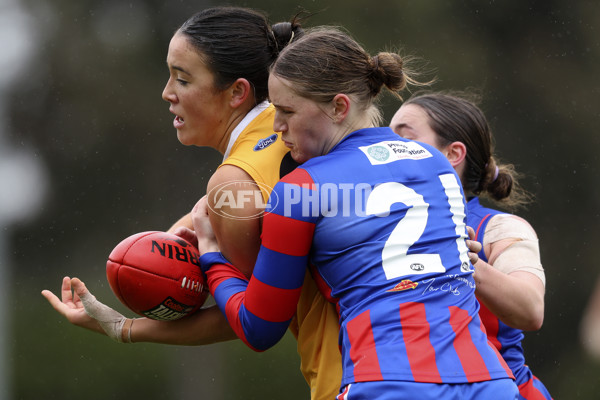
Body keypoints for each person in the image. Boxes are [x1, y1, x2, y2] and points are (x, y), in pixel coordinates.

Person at [189, 27, 518, 399]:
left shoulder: (300, 190)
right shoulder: (435, 163)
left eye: (287, 111)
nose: (278, 126)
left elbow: (259, 327)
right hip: (490, 383)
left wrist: (211, 256)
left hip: (390, 383)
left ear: (339, 107)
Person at [41, 7, 345, 400]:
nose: (167, 93)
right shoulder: (296, 125)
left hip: (350, 376)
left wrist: (123, 328)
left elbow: (255, 315)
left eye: (182, 79)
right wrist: (172, 242)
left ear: (237, 92)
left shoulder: (235, 179)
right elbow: (222, 206)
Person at [390, 92, 552, 399]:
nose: (389, 150)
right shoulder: (381, 226)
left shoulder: (500, 228)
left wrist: (461, 260)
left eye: (405, 139)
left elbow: (531, 310)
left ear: (453, 154)